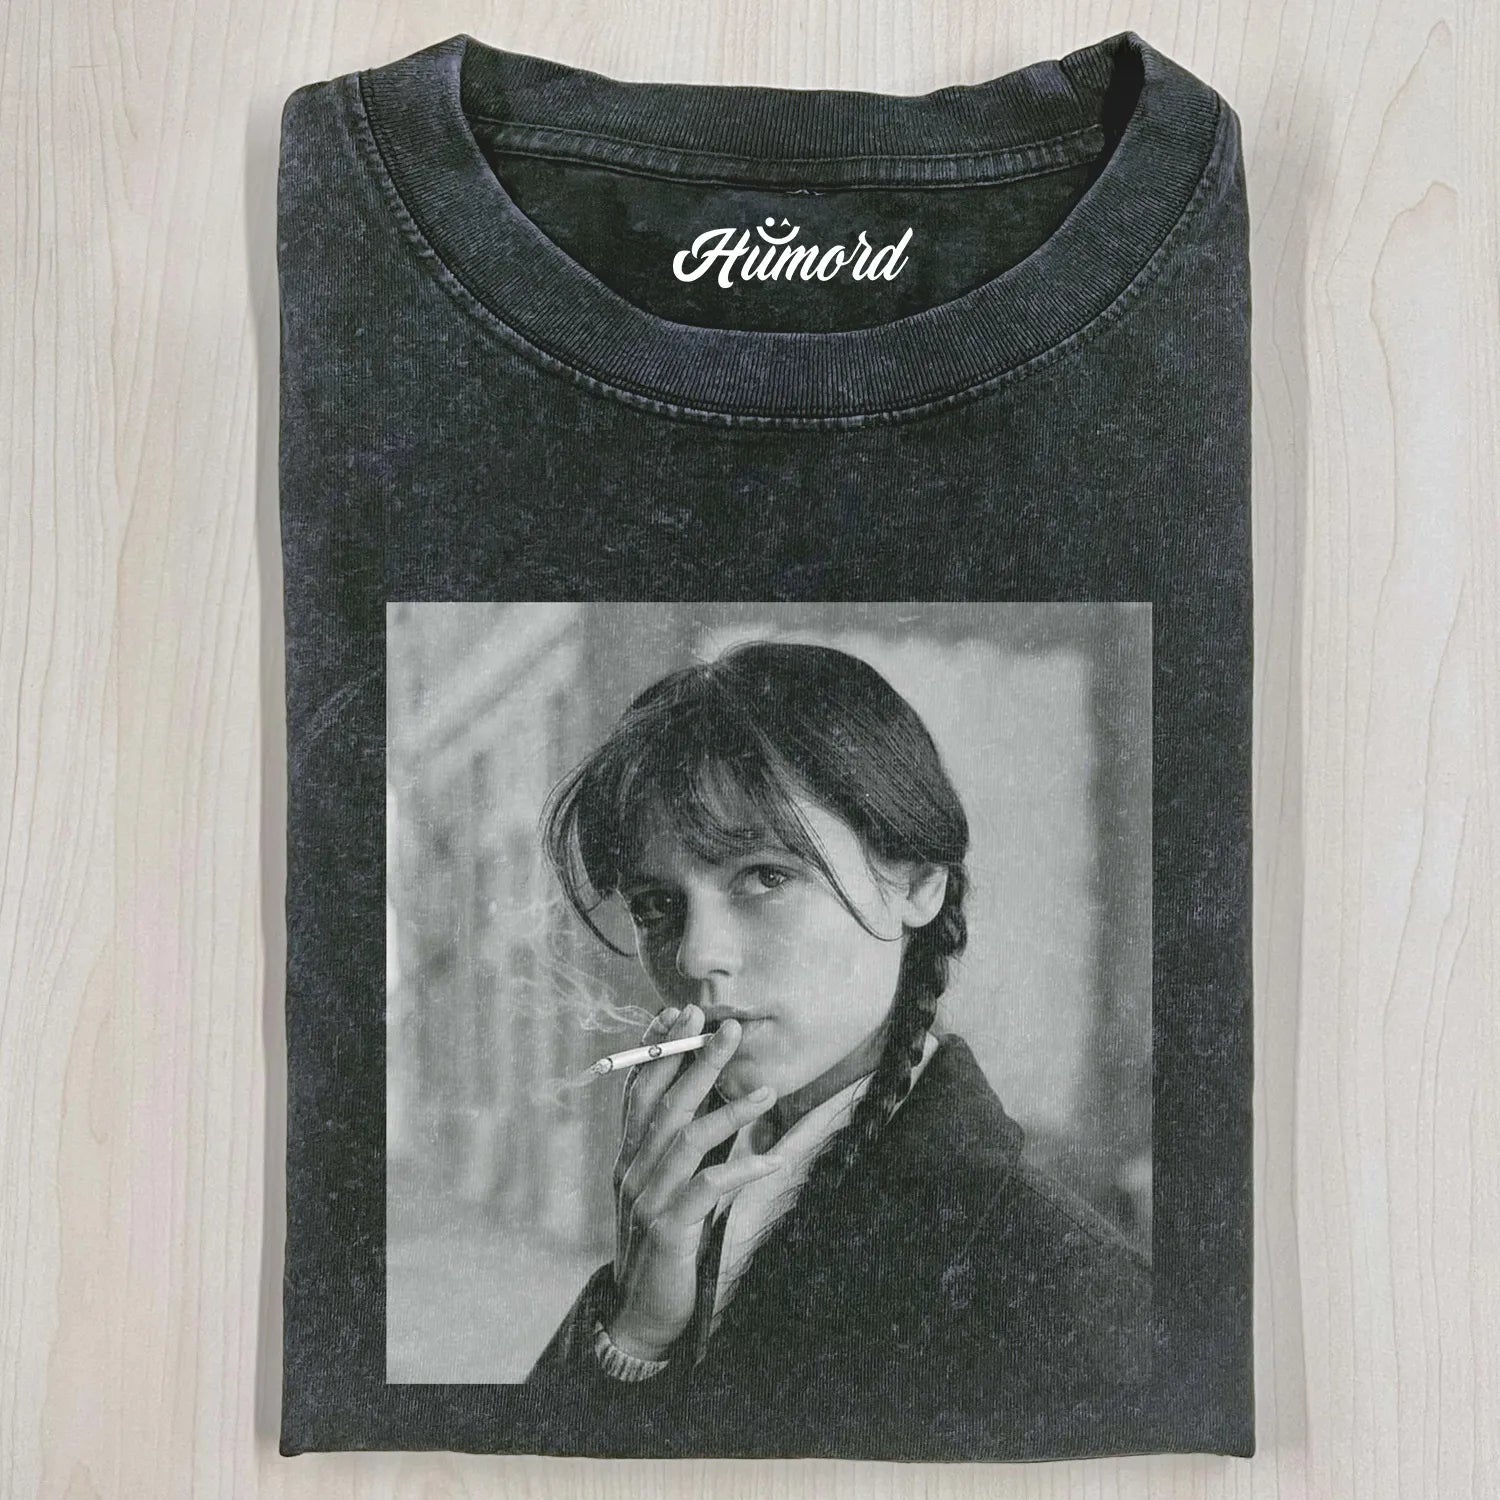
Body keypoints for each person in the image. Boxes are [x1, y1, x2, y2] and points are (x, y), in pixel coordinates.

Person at [521, 639, 1150, 1460]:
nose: (695, 956)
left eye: (765, 876)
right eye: (654, 906)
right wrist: (635, 1331)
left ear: (918, 884)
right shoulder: (686, 1203)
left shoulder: (1071, 1300)